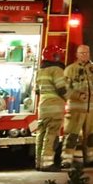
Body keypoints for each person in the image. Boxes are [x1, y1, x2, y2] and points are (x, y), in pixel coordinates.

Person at [63, 43, 93, 167]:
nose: (85, 55)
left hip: (92, 110)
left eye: (87, 53)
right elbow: (65, 89)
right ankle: (66, 160)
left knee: (91, 135)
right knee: (71, 135)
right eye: (82, 53)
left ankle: (91, 159)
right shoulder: (70, 69)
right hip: (75, 110)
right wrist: (77, 95)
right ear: (77, 55)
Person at [34, 44, 67, 172]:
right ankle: (47, 163)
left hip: (43, 106)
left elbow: (37, 90)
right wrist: (71, 98)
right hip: (54, 106)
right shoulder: (57, 70)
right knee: (52, 134)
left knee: (40, 134)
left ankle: (39, 163)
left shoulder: (41, 70)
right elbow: (61, 88)